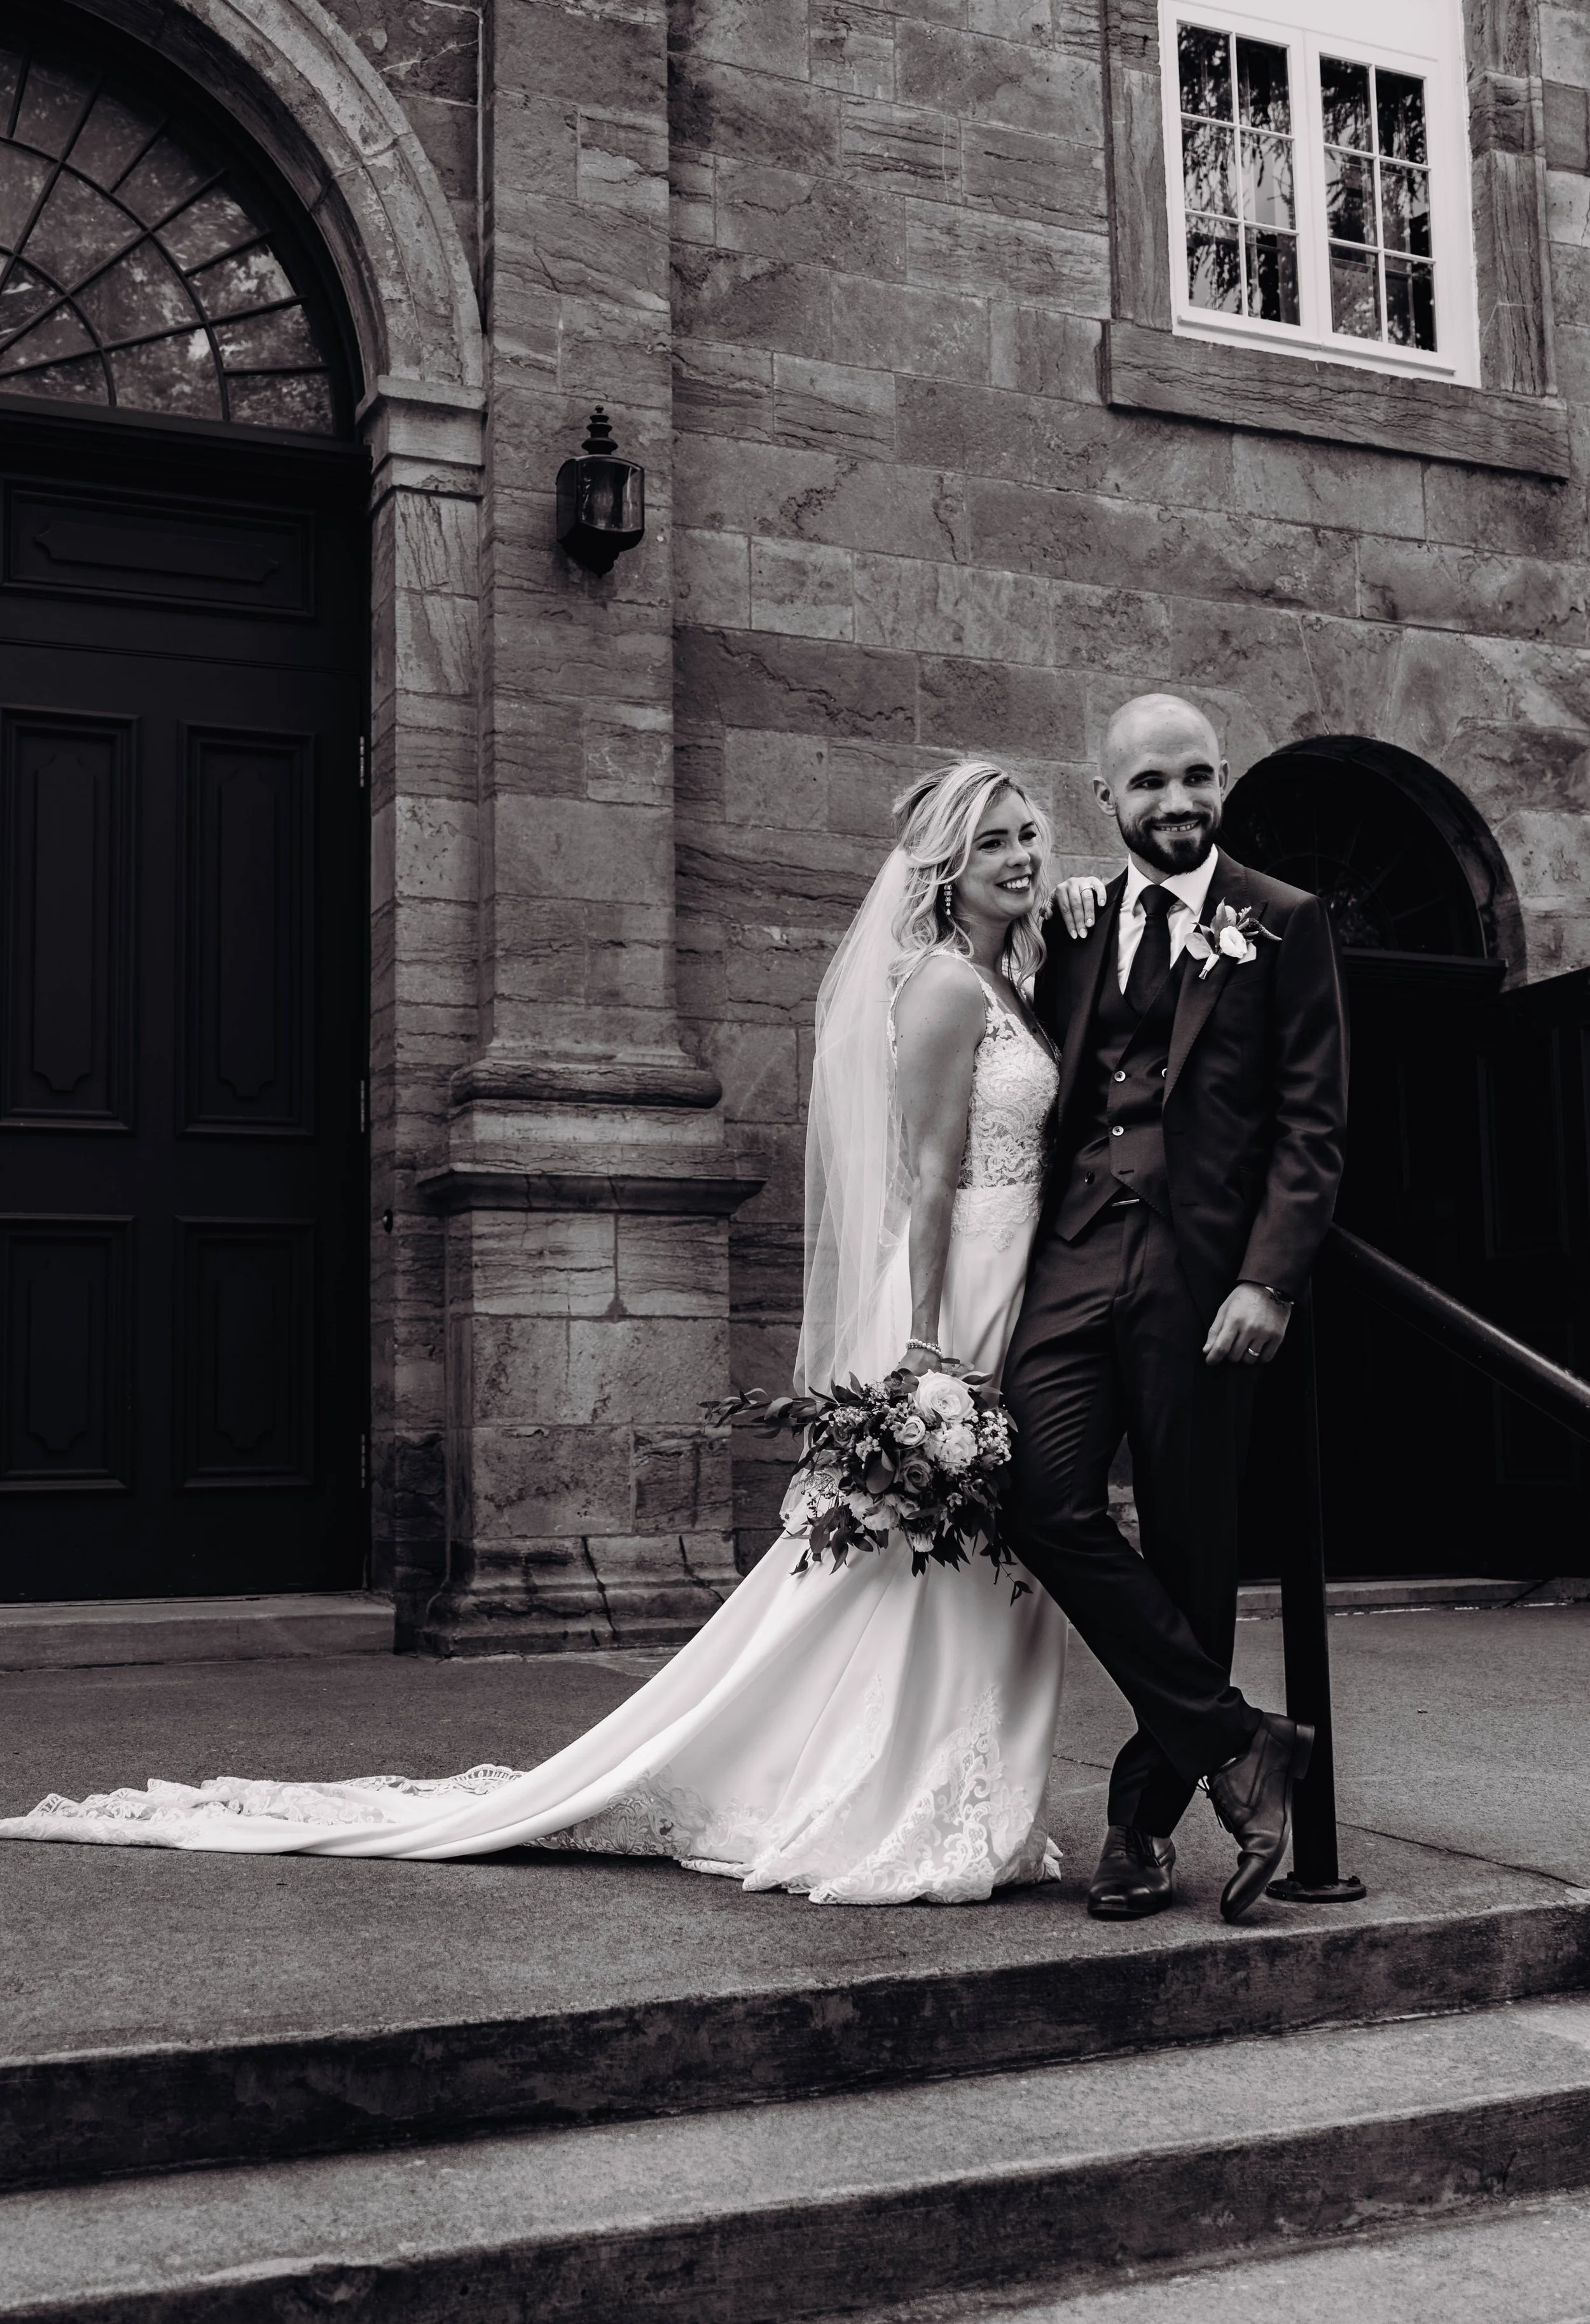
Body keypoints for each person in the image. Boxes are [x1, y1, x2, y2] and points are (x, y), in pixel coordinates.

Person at [0, 761, 1097, 1907]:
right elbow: (927, 1176)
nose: (1020, 858)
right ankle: (887, 1792)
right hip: (957, 1292)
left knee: (964, 1551)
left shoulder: (1011, 977)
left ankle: (937, 1785)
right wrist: (923, 1347)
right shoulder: (945, 989)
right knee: (912, 1558)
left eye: (1028, 835)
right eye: (992, 844)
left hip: (1019, 1273)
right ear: (943, 869)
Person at [1006, 694, 1349, 1925]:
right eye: (1150, 783)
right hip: (1073, 1251)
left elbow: (1313, 1122)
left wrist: (1270, 1277)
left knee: (1193, 1546)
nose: (1178, 803)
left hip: (1204, 1275)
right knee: (1035, 1493)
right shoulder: (1074, 924)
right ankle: (1240, 1739)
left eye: (1197, 777)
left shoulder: (1284, 919)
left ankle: (1143, 1826)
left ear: (1224, 778)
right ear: (1108, 796)